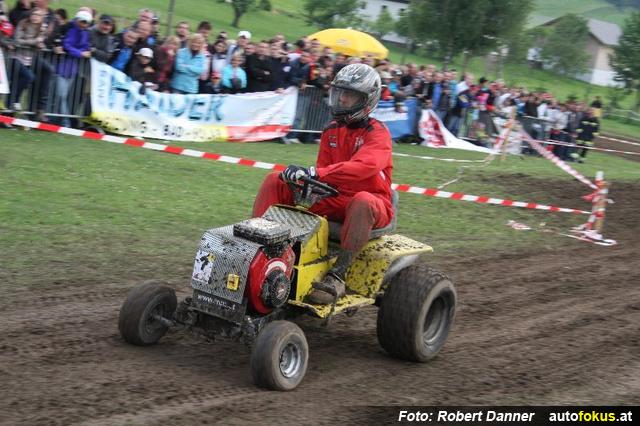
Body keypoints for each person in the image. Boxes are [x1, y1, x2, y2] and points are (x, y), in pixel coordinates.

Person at [252, 64, 393, 305]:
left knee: (362, 201)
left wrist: (315, 174)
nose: (342, 99)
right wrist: (305, 183)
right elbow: (324, 174)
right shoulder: (331, 131)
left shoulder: (377, 133)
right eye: (340, 92)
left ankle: (338, 275)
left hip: (373, 202)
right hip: (335, 197)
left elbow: (364, 166)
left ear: (367, 100)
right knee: (275, 179)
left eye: (350, 95)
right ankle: (257, 246)